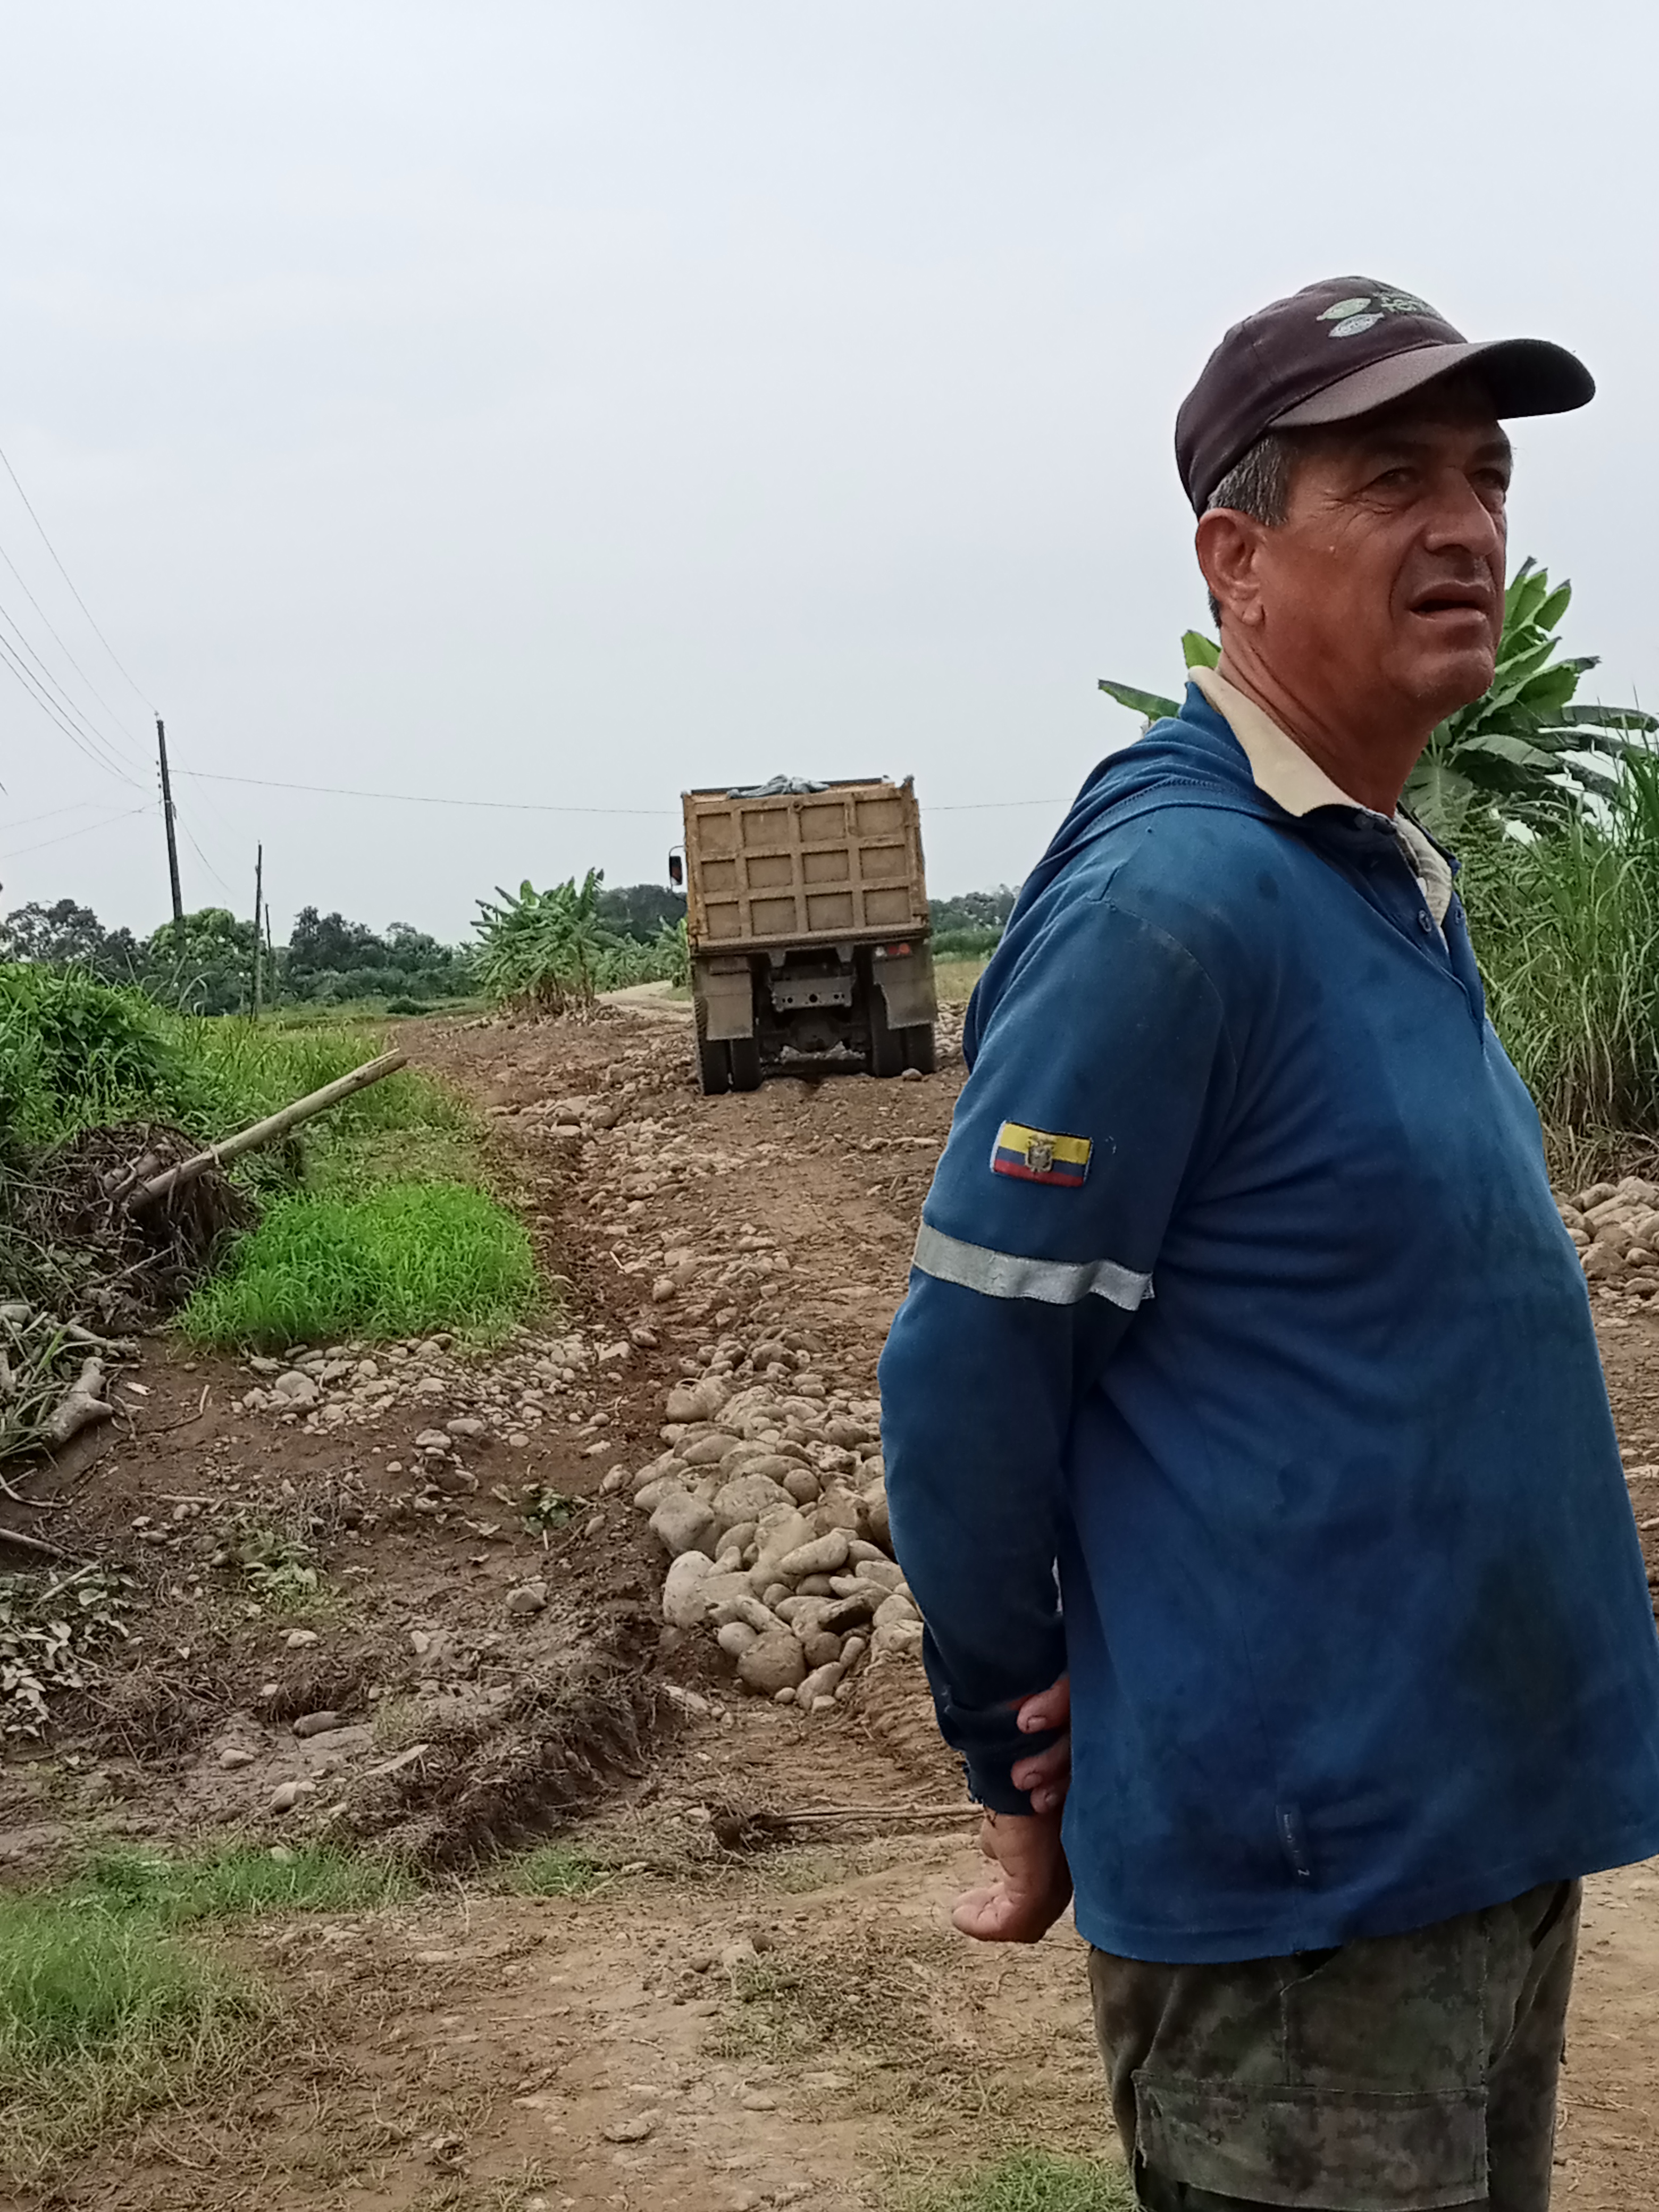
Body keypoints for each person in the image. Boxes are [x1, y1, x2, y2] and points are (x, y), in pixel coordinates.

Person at [878, 276, 1659, 2212]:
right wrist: (1006, 1739)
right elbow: (969, 1365)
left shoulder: (1368, 871)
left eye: (1486, 477)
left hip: (1468, 1852)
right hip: (1306, 1910)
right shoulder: (1173, 904)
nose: (1466, 527)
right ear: (1235, 562)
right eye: (1392, 481)